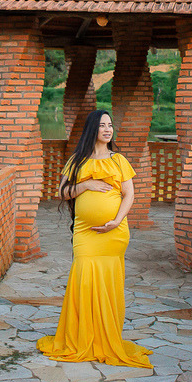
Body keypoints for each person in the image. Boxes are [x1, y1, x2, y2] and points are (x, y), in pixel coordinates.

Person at [36, 110, 152, 368]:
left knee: (109, 284)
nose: (108, 129)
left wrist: (117, 220)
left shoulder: (118, 160)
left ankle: (105, 337)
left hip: (114, 234)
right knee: (84, 279)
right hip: (85, 234)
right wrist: (86, 185)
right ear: (92, 129)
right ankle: (81, 337)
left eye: (110, 125)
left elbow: (129, 194)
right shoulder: (77, 161)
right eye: (102, 125)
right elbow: (63, 192)